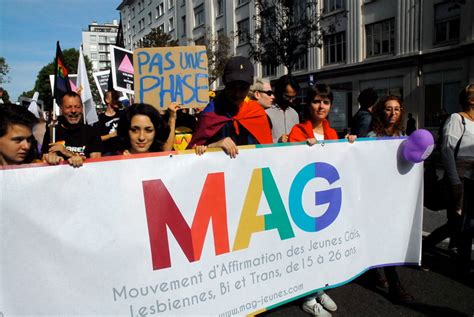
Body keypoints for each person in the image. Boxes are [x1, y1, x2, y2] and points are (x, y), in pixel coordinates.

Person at [366, 95, 415, 303]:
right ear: (380, 112)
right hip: (376, 196)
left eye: (396, 109)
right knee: (382, 237)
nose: (392, 113)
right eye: (388, 109)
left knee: (386, 237)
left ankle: (373, 270)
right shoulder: (371, 136)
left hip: (395, 197)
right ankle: (395, 285)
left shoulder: (403, 135)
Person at [188, 56, 272, 157]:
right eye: (232, 87)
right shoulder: (210, 114)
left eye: (243, 88)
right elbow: (190, 155)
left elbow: (268, 154)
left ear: (250, 86)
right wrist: (213, 146)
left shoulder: (257, 113)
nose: (237, 94)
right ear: (224, 81)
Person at [436, 84, 473, 275]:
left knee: (468, 223)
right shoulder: (457, 119)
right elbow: (447, 149)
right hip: (460, 179)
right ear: (470, 100)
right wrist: (454, 182)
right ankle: (426, 246)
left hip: (472, 179)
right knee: (457, 223)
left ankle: (460, 255)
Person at [41, 91, 102, 167]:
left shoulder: (92, 132)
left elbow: (96, 163)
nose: (73, 111)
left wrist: (68, 153)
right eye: (68, 107)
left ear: (82, 108)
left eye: (77, 107)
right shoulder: (52, 131)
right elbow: (43, 158)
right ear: (61, 109)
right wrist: (50, 158)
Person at [266, 75, 300, 143]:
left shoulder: (294, 114)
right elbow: (260, 142)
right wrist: (277, 141)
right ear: (278, 93)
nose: (291, 101)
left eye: (293, 97)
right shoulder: (266, 112)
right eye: (287, 97)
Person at [97, 90, 123, 156]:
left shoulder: (122, 114)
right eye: (114, 98)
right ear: (107, 100)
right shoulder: (100, 118)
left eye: (117, 98)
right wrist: (111, 135)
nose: (116, 100)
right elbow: (97, 139)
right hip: (108, 153)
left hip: (122, 151)